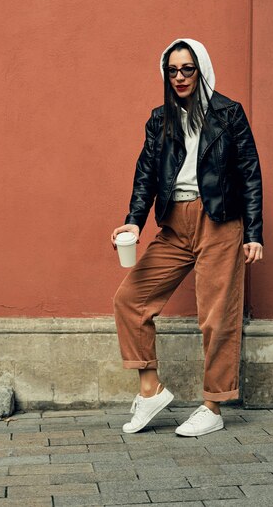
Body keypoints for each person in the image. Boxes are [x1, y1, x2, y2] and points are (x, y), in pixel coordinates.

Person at [110, 38, 263, 437]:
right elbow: (146, 173)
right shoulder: (159, 119)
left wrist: (254, 233)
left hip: (219, 220)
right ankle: (150, 389)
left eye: (187, 69)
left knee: (217, 317)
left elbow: (249, 171)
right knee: (131, 299)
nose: (179, 77)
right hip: (175, 222)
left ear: (201, 70)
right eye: (172, 70)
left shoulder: (228, 114)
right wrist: (133, 222)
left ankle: (213, 405)